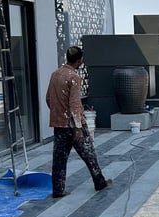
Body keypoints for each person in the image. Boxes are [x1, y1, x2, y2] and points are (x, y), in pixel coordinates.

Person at [46, 46, 111, 199]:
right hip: (73, 124)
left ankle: (58, 189)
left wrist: (58, 113)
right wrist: (78, 128)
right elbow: (74, 104)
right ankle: (99, 182)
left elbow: (48, 98)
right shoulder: (74, 77)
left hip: (59, 124)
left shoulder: (55, 74)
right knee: (89, 154)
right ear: (79, 60)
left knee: (59, 159)